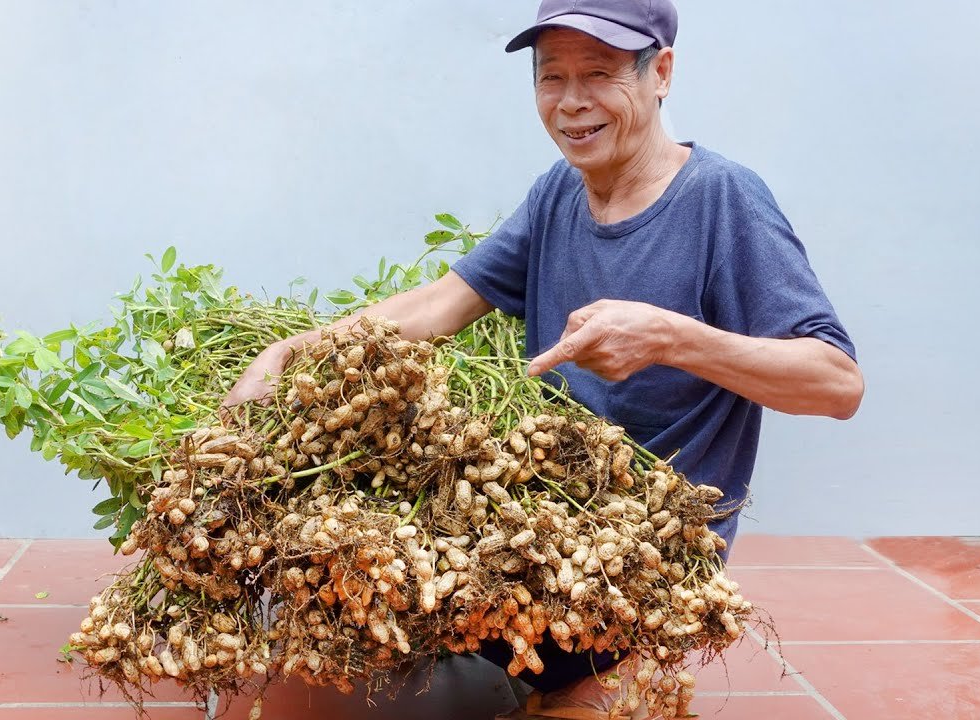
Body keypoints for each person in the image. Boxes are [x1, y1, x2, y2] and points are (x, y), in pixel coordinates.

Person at [222, 1, 864, 717]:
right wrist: (287, 353)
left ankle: (614, 670)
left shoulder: (722, 200)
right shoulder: (559, 194)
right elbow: (440, 305)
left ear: (663, 75)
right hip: (531, 523)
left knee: (389, 695)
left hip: (638, 558)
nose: (571, 102)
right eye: (551, 77)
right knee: (315, 610)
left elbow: (837, 383)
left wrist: (672, 338)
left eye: (599, 74)